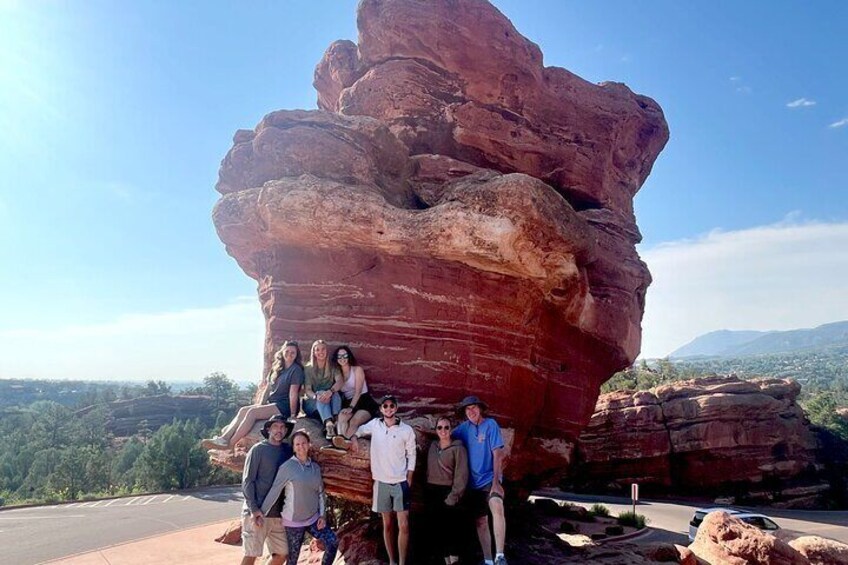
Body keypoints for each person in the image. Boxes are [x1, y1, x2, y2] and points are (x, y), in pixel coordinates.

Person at [345, 394, 416, 565]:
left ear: (396, 408)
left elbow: (412, 454)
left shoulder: (406, 430)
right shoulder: (375, 425)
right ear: (381, 409)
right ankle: (392, 561)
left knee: (404, 525)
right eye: (385, 406)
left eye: (392, 405)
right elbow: (359, 430)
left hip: (400, 482)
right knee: (388, 524)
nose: (389, 408)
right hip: (381, 482)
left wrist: (409, 479)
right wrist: (354, 437)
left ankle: (402, 562)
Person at [202, 340, 305, 449]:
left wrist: (293, 414)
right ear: (282, 352)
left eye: (293, 352)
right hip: (273, 403)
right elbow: (268, 388)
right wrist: (261, 404)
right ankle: (223, 439)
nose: (289, 354)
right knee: (243, 410)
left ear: (296, 355)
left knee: (252, 413)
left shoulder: (296, 370)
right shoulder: (277, 368)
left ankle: (231, 444)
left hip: (285, 405)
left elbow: (293, 393)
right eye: (287, 351)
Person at [262, 430, 339, 565]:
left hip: (313, 519)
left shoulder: (315, 467)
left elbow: (321, 493)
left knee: (333, 542)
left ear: (309, 445)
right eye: (297, 444)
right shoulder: (287, 467)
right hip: (293, 523)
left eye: (303, 443)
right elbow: (274, 491)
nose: (301, 446)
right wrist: (261, 513)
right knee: (292, 561)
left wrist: (322, 516)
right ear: (293, 447)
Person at [452, 396, 508, 565]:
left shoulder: (490, 425)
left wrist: (497, 482)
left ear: (480, 409)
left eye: (474, 407)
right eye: (467, 409)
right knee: (481, 520)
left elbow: (497, 453)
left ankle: (500, 556)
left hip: (490, 479)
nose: (471, 412)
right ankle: (488, 560)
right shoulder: (464, 428)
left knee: (497, 506)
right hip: (472, 484)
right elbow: (447, 434)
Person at [240, 414, 294, 565]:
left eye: (283, 427)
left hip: (278, 515)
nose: (279, 430)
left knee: (282, 554)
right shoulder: (258, 450)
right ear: (269, 429)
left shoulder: (288, 451)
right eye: (276, 426)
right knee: (251, 554)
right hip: (258, 513)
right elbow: (247, 481)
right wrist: (254, 509)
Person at [426, 417, 468, 565]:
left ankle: (454, 561)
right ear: (436, 429)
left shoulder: (459, 449)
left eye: (446, 427)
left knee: (452, 530)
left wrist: (453, 496)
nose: (443, 431)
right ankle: (446, 562)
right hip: (432, 493)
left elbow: (461, 475)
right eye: (440, 427)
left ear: (451, 429)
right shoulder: (432, 446)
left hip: (449, 493)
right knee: (438, 531)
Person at [331, 345, 380, 446]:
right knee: (342, 417)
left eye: (345, 356)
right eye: (339, 356)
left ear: (349, 356)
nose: (342, 359)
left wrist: (351, 407)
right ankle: (341, 441)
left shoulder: (357, 370)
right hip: (348, 401)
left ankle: (344, 442)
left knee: (354, 421)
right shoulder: (337, 374)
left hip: (363, 401)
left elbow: (358, 392)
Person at [302, 339, 343, 439]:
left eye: (323, 349)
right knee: (320, 392)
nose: (321, 352)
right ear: (314, 352)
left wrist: (330, 391)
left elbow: (340, 381)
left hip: (331, 401)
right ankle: (329, 424)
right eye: (317, 350)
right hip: (313, 403)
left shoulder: (333, 366)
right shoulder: (308, 368)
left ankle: (336, 420)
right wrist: (317, 396)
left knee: (335, 393)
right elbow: (307, 390)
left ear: (327, 350)